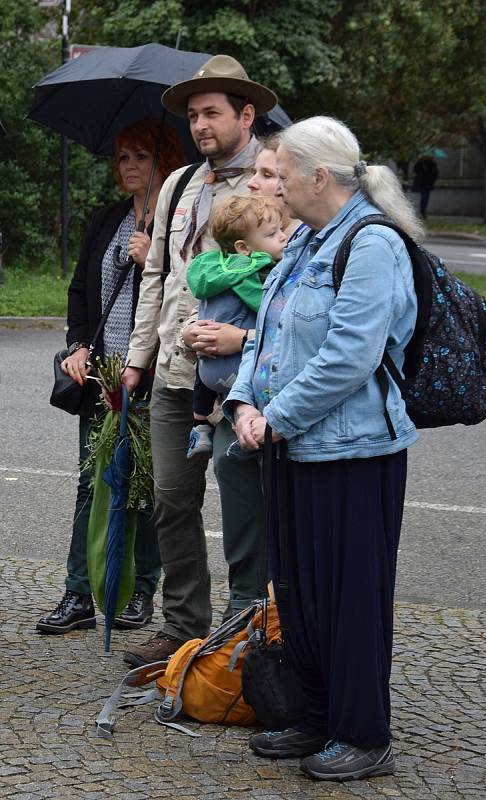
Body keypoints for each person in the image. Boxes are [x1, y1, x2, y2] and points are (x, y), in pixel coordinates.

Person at [225, 116, 424, 782]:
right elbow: (265, 332)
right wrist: (245, 403)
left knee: (351, 597)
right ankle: (313, 716)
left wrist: (275, 417)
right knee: (302, 595)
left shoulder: (371, 244)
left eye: (280, 174)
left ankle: (363, 734)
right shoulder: (307, 239)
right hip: (293, 449)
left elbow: (350, 356)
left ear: (317, 176)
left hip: (357, 454)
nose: (271, 185)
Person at [119, 55, 279, 667]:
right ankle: (183, 625)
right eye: (192, 115)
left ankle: (247, 632)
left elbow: (288, 285)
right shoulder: (179, 183)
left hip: (244, 384)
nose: (201, 125)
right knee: (170, 500)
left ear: (246, 114)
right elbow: (156, 275)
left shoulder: (270, 183)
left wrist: (244, 342)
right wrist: (138, 358)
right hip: (174, 376)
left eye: (212, 112)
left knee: (245, 513)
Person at [36, 118, 185, 635]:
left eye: (140, 156)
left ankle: (141, 590)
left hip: (154, 375)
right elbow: (81, 292)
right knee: (89, 484)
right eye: (123, 157)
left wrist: (156, 263)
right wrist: (77, 347)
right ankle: (78, 594)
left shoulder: (180, 226)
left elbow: (191, 300)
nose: (129, 166)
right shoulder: (107, 220)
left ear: (164, 161)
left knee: (144, 488)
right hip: (102, 373)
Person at [186, 194, 287, 458]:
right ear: (243, 247)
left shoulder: (211, 266)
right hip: (237, 365)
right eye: (273, 233)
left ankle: (200, 424)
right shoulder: (253, 272)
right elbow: (268, 308)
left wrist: (190, 330)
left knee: (203, 369)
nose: (283, 237)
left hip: (207, 365)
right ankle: (244, 430)